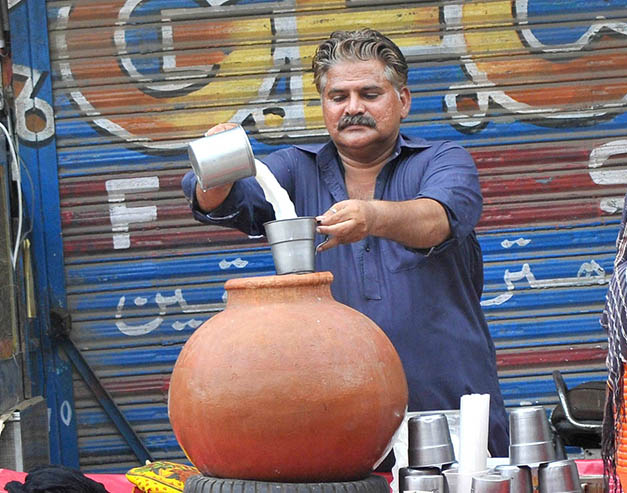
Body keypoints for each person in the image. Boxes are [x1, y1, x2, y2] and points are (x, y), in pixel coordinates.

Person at [181, 28, 510, 457]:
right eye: (338, 97)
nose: (353, 108)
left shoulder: (442, 160)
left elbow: (438, 218)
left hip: (450, 415)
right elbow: (213, 197)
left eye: (369, 93)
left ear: (403, 100)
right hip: (339, 424)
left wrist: (372, 216)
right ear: (324, 107)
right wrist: (215, 163)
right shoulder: (296, 171)